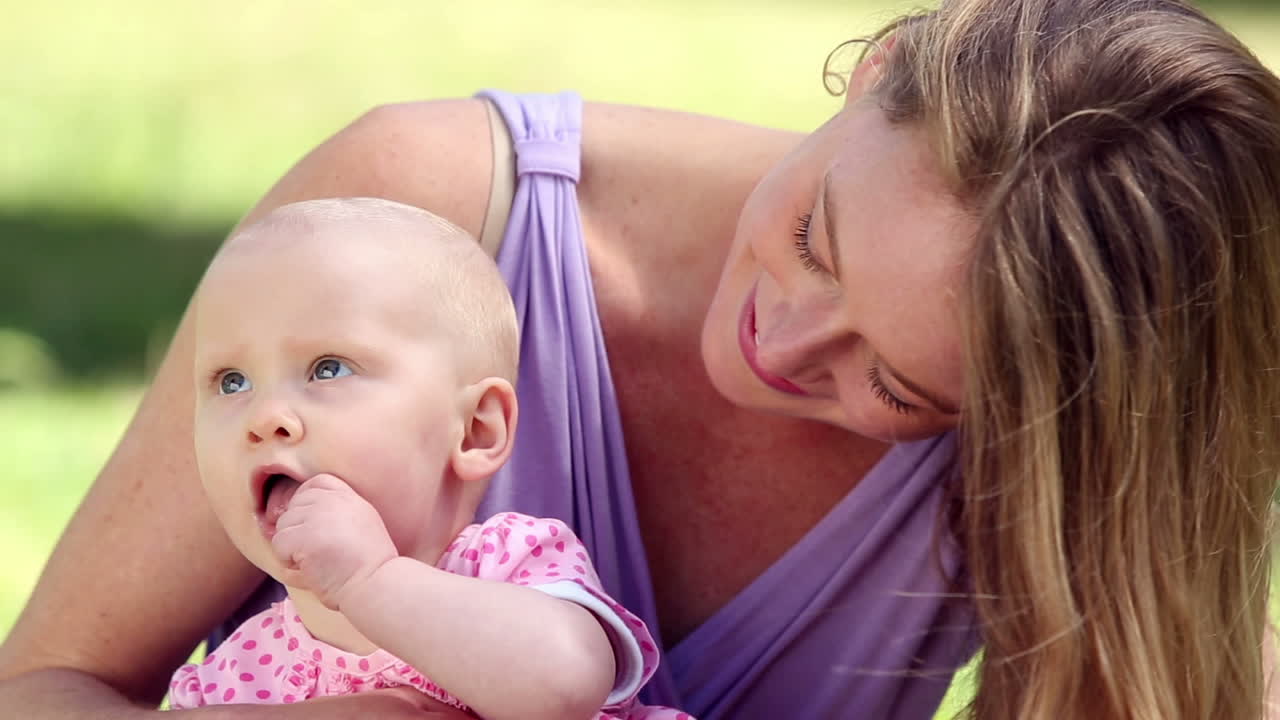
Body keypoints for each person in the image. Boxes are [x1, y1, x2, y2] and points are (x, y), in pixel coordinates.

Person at [2, 0, 1279, 717]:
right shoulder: (427, 209)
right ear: (878, 67)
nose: (781, 344)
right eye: (811, 239)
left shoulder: (1054, 460)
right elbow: (46, 685)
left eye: (895, 386)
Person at [163, 197, 689, 720]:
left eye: (328, 369)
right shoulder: (235, 682)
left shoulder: (507, 567)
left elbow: (566, 684)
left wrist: (371, 579)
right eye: (232, 382)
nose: (265, 416)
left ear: (476, 429)